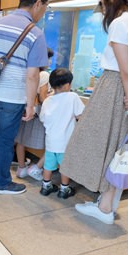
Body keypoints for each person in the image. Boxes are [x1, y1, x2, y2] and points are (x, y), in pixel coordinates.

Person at [62, 0, 128, 224]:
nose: (103, 12)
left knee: (97, 141)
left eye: (103, 6)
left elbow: (124, 70)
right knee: (119, 145)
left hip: (116, 88)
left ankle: (105, 208)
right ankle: (106, 203)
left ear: (110, 1)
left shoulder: (120, 23)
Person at [0, 0, 51, 195]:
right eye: (45, 6)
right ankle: (2, 183)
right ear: (38, 3)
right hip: (12, 97)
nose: (44, 11)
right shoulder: (35, 33)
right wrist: (30, 104)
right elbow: (32, 75)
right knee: (5, 140)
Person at [38, 68, 85, 199]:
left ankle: (46, 187)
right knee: (65, 167)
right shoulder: (73, 97)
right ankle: (64, 189)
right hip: (65, 142)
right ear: (67, 85)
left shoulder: (47, 100)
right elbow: (81, 115)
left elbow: (42, 118)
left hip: (51, 141)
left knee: (48, 165)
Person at [14, 48, 54, 181]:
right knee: (50, 143)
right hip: (36, 112)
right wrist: (53, 95)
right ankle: (36, 167)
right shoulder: (44, 75)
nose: (50, 61)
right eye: (48, 58)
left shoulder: (27, 71)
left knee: (21, 140)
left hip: (24, 109)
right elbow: (42, 98)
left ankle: (21, 168)